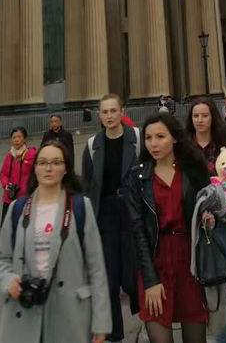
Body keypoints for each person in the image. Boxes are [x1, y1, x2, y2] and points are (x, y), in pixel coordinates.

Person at [0, 139, 111, 343]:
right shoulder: (18, 209)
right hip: (24, 310)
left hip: (69, 313)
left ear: (66, 169)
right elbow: (0, 259)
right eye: (43, 162)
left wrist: (101, 321)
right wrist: (7, 279)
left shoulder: (81, 207)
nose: (49, 168)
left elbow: (96, 268)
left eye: (56, 162)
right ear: (35, 168)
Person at [124, 113, 212, 343]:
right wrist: (150, 281)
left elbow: (210, 202)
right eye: (148, 138)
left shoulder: (192, 171)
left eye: (160, 137)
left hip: (190, 262)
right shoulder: (138, 178)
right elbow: (138, 232)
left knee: (196, 334)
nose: (153, 143)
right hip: (155, 260)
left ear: (174, 138)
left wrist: (209, 216)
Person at [186, 97, 226, 343]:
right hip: (192, 224)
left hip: (221, 226)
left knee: (219, 281)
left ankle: (220, 339)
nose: (200, 120)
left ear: (213, 118)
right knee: (196, 283)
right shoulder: (184, 149)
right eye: (195, 116)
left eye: (204, 115)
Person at [82, 93, 141, 342]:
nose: (109, 116)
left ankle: (142, 308)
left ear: (122, 112)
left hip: (131, 210)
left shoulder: (136, 139)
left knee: (131, 274)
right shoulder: (92, 145)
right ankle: (114, 334)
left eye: (113, 111)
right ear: (100, 115)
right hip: (104, 214)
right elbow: (87, 186)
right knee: (109, 277)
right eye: (105, 112)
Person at [0, 127, 37, 226]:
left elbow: (37, 174)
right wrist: (6, 185)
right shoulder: (9, 155)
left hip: (25, 198)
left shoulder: (31, 155)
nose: (16, 140)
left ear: (25, 139)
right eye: (14, 137)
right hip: (9, 197)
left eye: (19, 137)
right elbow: (3, 174)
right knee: (6, 226)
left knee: (24, 227)